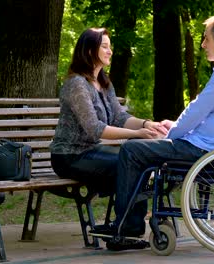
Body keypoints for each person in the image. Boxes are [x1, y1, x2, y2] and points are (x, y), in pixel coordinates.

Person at [91, 15, 214, 245]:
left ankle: (128, 225)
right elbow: (206, 113)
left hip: (203, 150)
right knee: (141, 149)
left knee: (132, 150)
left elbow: (199, 109)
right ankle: (131, 222)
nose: (202, 44)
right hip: (208, 144)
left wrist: (172, 133)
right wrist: (175, 127)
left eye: (206, 38)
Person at [50, 28, 167, 199]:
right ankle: (127, 224)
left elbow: (120, 117)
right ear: (89, 51)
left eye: (109, 47)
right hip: (69, 157)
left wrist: (146, 124)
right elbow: (95, 129)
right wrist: (136, 133)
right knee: (132, 165)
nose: (110, 51)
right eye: (104, 46)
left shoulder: (104, 83)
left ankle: (129, 222)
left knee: (138, 158)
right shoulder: (77, 84)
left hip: (92, 150)